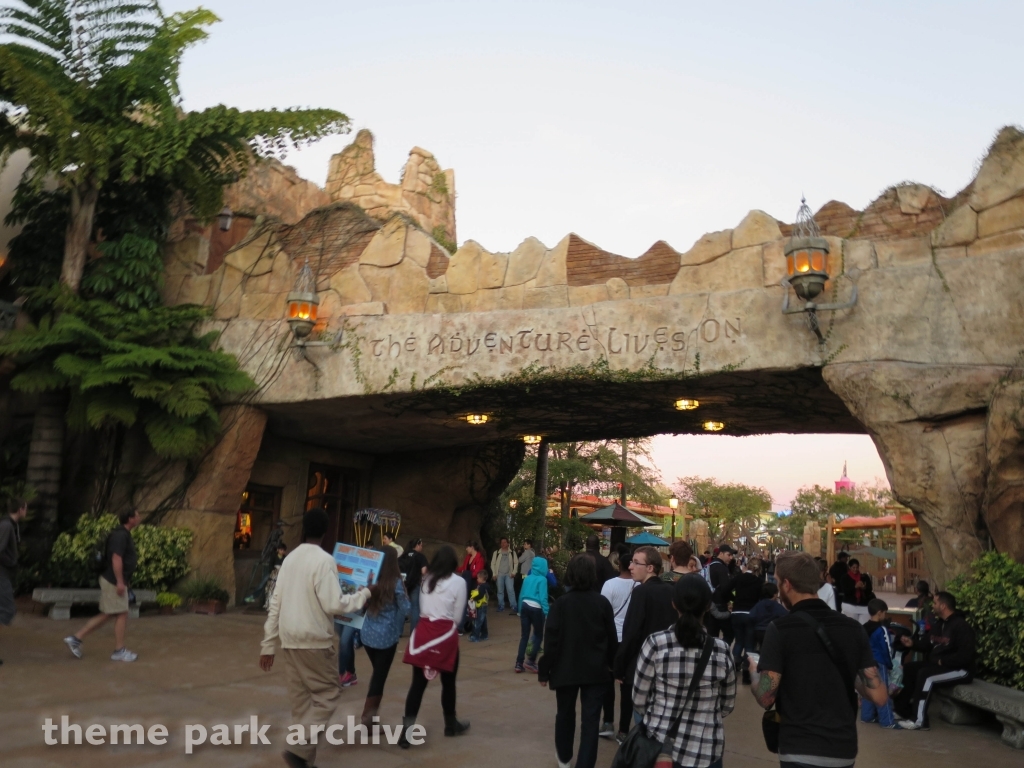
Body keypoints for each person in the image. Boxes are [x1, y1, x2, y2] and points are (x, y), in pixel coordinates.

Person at [751, 551, 888, 768]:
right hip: (842, 749)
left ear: (787, 584)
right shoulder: (853, 629)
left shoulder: (780, 629)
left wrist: (753, 673)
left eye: (777, 583)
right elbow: (879, 695)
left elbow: (766, 698)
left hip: (798, 748)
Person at [259, 509, 372, 768]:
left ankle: (304, 762)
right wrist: (365, 594)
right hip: (314, 642)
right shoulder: (324, 561)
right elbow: (334, 603)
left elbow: (275, 603)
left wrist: (268, 644)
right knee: (329, 695)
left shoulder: (289, 559)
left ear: (303, 530)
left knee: (302, 707)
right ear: (326, 531)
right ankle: (298, 750)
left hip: (290, 641)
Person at [633, 575, 737, 768]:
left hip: (660, 749)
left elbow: (639, 700)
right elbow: (727, 705)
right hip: (705, 750)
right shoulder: (722, 650)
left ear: (674, 604)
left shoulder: (655, 643)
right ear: (708, 606)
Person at [538, 554, 618, 768]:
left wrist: (545, 670)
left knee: (564, 714)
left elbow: (551, 640)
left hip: (566, 668)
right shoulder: (602, 603)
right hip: (596, 669)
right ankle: (585, 763)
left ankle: (564, 758)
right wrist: (614, 665)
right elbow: (611, 638)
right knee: (590, 721)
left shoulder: (561, 604)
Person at [400, 545, 470, 747]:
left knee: (417, 686)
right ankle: (450, 724)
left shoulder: (426, 579)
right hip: (445, 635)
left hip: (423, 634)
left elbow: (422, 609)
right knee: (449, 683)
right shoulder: (458, 582)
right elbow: (457, 617)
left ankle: (406, 733)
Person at [612, 545, 676, 742]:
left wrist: (619, 667)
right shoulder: (671, 591)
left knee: (644, 724)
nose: (630, 566)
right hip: (668, 666)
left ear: (650, 568)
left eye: (636, 562)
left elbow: (631, 632)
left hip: (642, 667)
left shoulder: (641, 593)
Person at [64, 509, 143, 662]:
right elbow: (116, 559)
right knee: (121, 613)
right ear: (130, 518)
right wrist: (120, 581)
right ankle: (119, 650)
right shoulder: (120, 535)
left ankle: (76, 638)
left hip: (115, 580)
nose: (139, 518)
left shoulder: (123, 534)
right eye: (137, 515)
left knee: (111, 613)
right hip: (113, 581)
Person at [895, 591, 976, 731]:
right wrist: (912, 643)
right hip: (940, 665)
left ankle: (919, 721)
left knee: (926, 675)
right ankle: (903, 711)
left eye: (935, 603)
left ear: (943, 606)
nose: (933, 605)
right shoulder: (939, 625)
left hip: (961, 670)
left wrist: (943, 661)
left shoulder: (961, 626)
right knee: (909, 669)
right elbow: (927, 644)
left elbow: (966, 655)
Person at [358, 545, 410, 727]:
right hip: (386, 638)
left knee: (377, 673)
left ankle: (369, 717)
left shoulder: (371, 578)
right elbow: (406, 608)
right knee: (380, 677)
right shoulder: (396, 582)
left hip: (367, 635)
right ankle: (368, 719)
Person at [599, 546, 637, 739]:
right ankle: (623, 729)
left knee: (607, 681)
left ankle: (607, 722)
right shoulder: (639, 586)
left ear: (618, 565)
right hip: (630, 641)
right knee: (627, 686)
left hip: (611, 639)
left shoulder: (609, 585)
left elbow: (603, 612)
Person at [861, 598, 900, 729]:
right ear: (879, 613)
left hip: (865, 662)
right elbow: (887, 648)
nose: (885, 615)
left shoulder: (864, 627)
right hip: (879, 663)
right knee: (882, 692)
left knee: (869, 689)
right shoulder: (881, 630)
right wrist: (889, 664)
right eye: (884, 613)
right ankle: (887, 721)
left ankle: (866, 716)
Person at [725, 557, 764, 684]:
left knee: (739, 642)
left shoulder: (739, 578)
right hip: (751, 614)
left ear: (747, 566)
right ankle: (748, 670)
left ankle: (734, 667)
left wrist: (733, 600)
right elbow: (762, 598)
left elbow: (725, 589)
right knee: (749, 644)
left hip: (736, 613)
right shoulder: (758, 581)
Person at [0, 498, 28, 666]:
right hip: (1, 575)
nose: (26, 511)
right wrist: (10, 561)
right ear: (20, 509)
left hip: (5, 574)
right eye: (25, 508)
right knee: (6, 610)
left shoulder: (11, 525)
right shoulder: (6, 526)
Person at [516, 555, 549, 673]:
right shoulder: (543, 580)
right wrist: (547, 612)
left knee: (524, 636)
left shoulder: (527, 578)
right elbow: (543, 598)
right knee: (538, 635)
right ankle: (531, 661)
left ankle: (519, 663)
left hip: (524, 606)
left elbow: (521, 594)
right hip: (536, 608)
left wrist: (519, 610)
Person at [706, 544, 736, 646]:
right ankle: (721, 651)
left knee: (712, 634)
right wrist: (733, 599)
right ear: (721, 553)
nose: (731, 558)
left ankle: (711, 653)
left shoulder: (710, 566)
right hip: (720, 605)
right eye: (729, 555)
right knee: (729, 634)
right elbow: (725, 589)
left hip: (710, 604)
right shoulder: (722, 568)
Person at [399, 538, 429, 631]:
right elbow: (424, 571)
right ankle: (413, 631)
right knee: (415, 607)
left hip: (402, 584)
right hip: (415, 584)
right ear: (417, 545)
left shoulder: (403, 556)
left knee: (401, 607)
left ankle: (399, 631)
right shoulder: (420, 556)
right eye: (421, 545)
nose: (422, 547)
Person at [748, 581, 787, 648]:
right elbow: (785, 615)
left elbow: (751, 615)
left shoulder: (759, 604)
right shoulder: (776, 605)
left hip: (759, 631)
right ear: (775, 594)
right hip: (772, 631)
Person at [490, 537, 519, 614]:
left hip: (509, 574)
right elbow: (493, 564)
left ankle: (514, 605)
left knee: (510, 590)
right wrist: (494, 574)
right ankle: (501, 605)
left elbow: (516, 563)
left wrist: (514, 572)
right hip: (499, 574)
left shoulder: (512, 552)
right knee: (500, 591)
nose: (503, 544)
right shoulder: (496, 553)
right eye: (502, 542)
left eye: (505, 542)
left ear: (508, 543)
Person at [469, 569, 489, 641]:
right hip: (484, 605)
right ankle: (484, 634)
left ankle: (475, 636)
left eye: (478, 578)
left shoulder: (482, 587)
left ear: (481, 578)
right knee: (483, 621)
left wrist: (474, 598)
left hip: (481, 605)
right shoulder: (485, 586)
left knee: (478, 621)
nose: (477, 579)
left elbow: (480, 595)